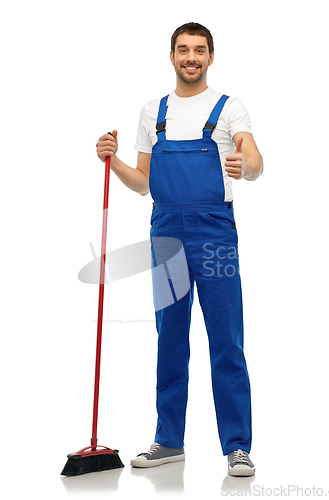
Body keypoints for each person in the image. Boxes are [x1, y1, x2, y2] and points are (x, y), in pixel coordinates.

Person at [96, 22, 263, 477]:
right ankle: (168, 440)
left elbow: (255, 161)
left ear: (211, 57)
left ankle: (237, 446)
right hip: (167, 235)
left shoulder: (229, 109)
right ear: (171, 56)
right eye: (183, 50)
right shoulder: (155, 112)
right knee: (170, 338)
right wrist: (113, 162)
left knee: (225, 339)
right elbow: (144, 184)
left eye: (200, 50)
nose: (191, 57)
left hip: (214, 236)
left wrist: (243, 165)